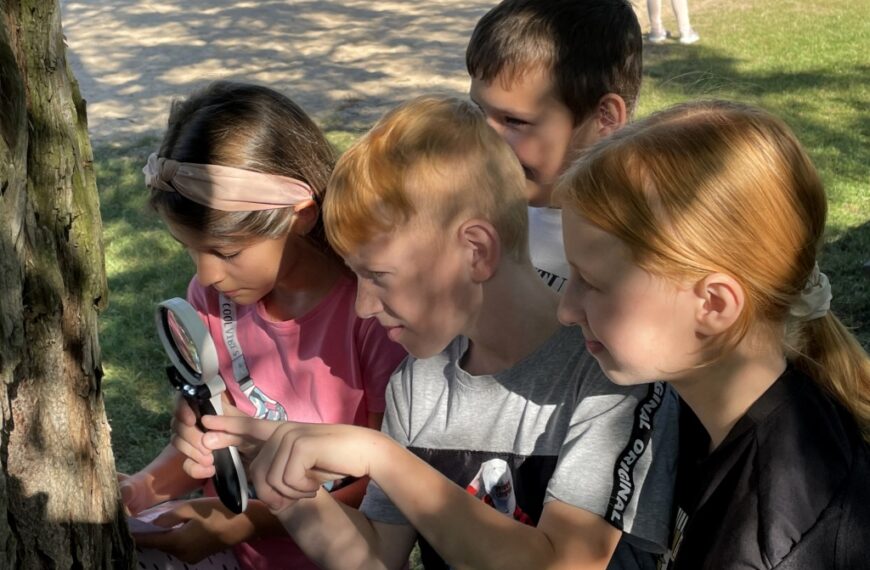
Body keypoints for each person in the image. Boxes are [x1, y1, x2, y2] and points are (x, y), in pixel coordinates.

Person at [186, 95, 678, 569]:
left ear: (475, 252)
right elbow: (377, 556)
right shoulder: (418, 383)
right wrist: (289, 486)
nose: (362, 306)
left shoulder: (607, 369)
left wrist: (382, 457)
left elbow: (566, 562)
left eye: (377, 276)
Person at [556, 100, 870, 569]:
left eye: (594, 283)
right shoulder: (716, 409)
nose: (565, 310)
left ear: (714, 305)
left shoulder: (768, 542)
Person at [121, 81, 406, 569]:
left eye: (226, 252)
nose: (206, 274)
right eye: (190, 250)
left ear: (298, 217)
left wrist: (251, 517)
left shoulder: (373, 316)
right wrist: (143, 488)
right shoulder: (209, 298)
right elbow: (205, 437)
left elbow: (389, 487)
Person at [466, 0, 643, 293]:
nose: (485, 142)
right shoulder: (477, 207)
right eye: (477, 110)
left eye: (513, 121)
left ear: (606, 119)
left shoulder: (640, 250)